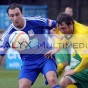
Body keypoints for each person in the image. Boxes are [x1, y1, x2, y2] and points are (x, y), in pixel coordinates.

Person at [0, 3, 61, 88]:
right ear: (8, 16)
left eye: (17, 14)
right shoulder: (8, 35)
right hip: (28, 62)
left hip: (45, 57)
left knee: (52, 80)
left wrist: (61, 36)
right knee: (23, 86)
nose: (15, 18)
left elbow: (58, 24)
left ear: (22, 13)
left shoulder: (35, 21)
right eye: (12, 15)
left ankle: (47, 72)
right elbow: (1, 55)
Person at [55, 12, 88, 88]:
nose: (62, 31)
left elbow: (87, 58)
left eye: (63, 28)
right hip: (83, 61)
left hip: (86, 62)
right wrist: (57, 49)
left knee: (64, 82)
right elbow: (66, 38)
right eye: (60, 29)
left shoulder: (81, 35)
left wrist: (74, 71)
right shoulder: (72, 26)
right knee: (65, 82)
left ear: (70, 24)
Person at [50, 7, 73, 76]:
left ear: (72, 13)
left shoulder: (72, 24)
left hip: (68, 47)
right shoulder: (60, 21)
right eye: (67, 11)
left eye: (70, 11)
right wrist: (58, 36)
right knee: (64, 63)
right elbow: (51, 30)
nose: (69, 13)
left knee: (67, 65)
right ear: (65, 12)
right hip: (59, 46)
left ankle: (53, 76)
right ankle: (51, 76)